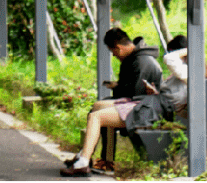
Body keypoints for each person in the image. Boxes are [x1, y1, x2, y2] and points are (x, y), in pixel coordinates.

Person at [61, 36, 188, 177]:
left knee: (95, 117)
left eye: (172, 51)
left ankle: (83, 162)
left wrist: (190, 50)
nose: (168, 54)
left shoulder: (188, 73)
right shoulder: (180, 74)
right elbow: (172, 96)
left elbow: (169, 60)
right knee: (98, 106)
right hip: (151, 104)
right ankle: (101, 161)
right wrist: (155, 92)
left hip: (153, 110)